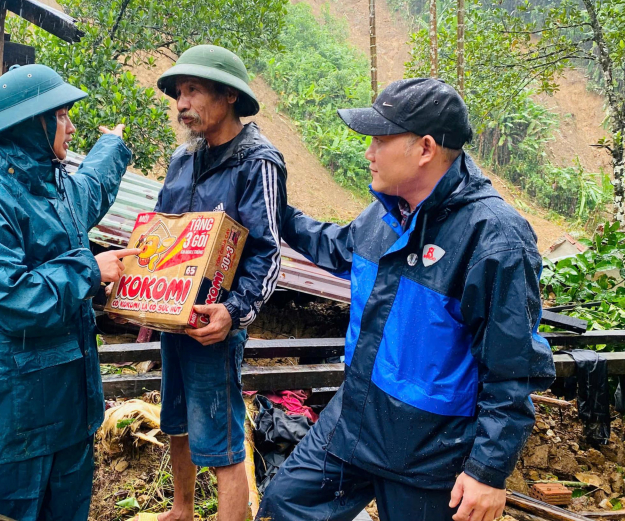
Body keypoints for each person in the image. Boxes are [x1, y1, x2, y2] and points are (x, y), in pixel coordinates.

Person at [257, 78, 556, 521]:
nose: (368, 153)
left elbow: (511, 369)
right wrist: (275, 209)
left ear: (425, 149)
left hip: (430, 449)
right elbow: (337, 247)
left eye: (379, 139)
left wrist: (487, 472)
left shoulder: (493, 239)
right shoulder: (388, 212)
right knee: (285, 505)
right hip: (355, 420)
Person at [0, 64, 139, 521]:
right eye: (63, 115)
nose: (71, 127)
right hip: (11, 416)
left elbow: (93, 187)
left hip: (68, 408)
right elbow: (13, 299)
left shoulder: (58, 187)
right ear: (34, 123)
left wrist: (113, 144)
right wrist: (89, 271)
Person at [145, 44, 288, 521]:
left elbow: (268, 251)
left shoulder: (257, 161)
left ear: (227, 95)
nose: (181, 103)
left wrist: (235, 311)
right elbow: (164, 234)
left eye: (192, 91)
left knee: (222, 438)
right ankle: (181, 510)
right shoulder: (182, 159)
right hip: (173, 319)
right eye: (178, 93)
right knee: (179, 422)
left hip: (215, 324)